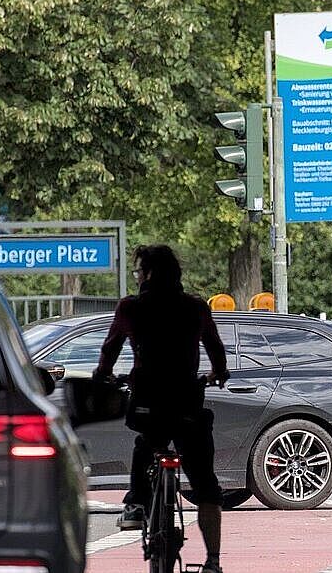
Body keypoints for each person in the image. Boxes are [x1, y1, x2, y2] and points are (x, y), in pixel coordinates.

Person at [94, 245, 230, 573]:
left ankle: (137, 506)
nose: (137, 276)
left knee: (147, 442)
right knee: (205, 484)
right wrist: (218, 373)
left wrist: (104, 376)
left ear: (149, 274)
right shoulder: (195, 308)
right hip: (187, 402)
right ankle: (212, 561)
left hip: (147, 401)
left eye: (139, 271)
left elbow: (110, 348)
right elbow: (215, 348)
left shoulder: (131, 308)